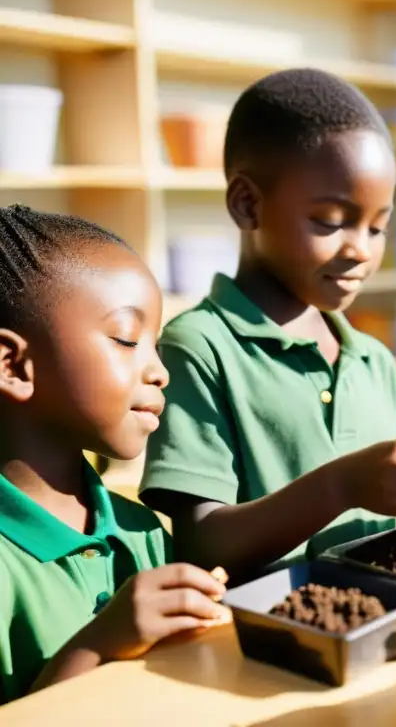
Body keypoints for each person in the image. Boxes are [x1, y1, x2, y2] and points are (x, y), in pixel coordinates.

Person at [139, 68, 396, 580]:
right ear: (247, 204)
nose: (361, 250)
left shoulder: (372, 360)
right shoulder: (199, 348)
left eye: (378, 226)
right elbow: (201, 541)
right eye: (330, 220)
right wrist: (341, 486)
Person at [0, 204, 230, 704]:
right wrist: (101, 642)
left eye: (156, 344)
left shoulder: (141, 530)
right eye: (127, 339)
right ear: (13, 365)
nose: (159, 372)